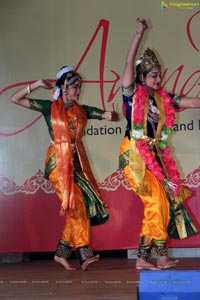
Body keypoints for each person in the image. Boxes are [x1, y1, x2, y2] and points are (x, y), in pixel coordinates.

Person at [11, 66, 119, 271]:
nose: (78, 90)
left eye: (79, 86)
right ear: (64, 87)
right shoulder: (48, 107)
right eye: (74, 86)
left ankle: (61, 254)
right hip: (57, 165)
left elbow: (104, 115)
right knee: (76, 205)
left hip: (77, 165)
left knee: (78, 208)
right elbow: (14, 99)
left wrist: (110, 116)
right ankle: (83, 253)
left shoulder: (81, 110)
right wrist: (35, 84)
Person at [119, 18, 200, 270]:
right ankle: (143, 257)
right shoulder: (133, 94)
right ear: (142, 77)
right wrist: (138, 34)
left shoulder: (164, 99)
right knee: (155, 202)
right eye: (153, 75)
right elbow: (127, 64)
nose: (158, 78)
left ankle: (161, 255)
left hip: (155, 155)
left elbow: (193, 103)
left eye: (159, 75)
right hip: (134, 155)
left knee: (164, 202)